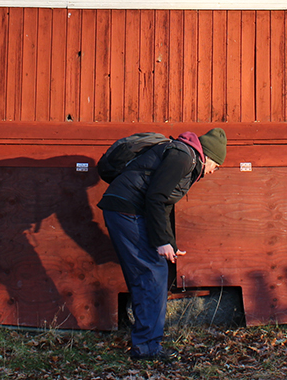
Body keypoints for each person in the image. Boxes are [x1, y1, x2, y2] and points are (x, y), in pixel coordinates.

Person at [97, 128, 227, 361]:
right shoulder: (184, 157)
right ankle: (146, 347)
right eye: (216, 165)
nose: (214, 171)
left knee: (150, 274)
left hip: (125, 209)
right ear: (208, 156)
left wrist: (169, 242)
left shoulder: (184, 156)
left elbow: (164, 203)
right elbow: (155, 198)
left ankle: (146, 343)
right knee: (153, 274)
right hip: (127, 210)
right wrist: (161, 242)